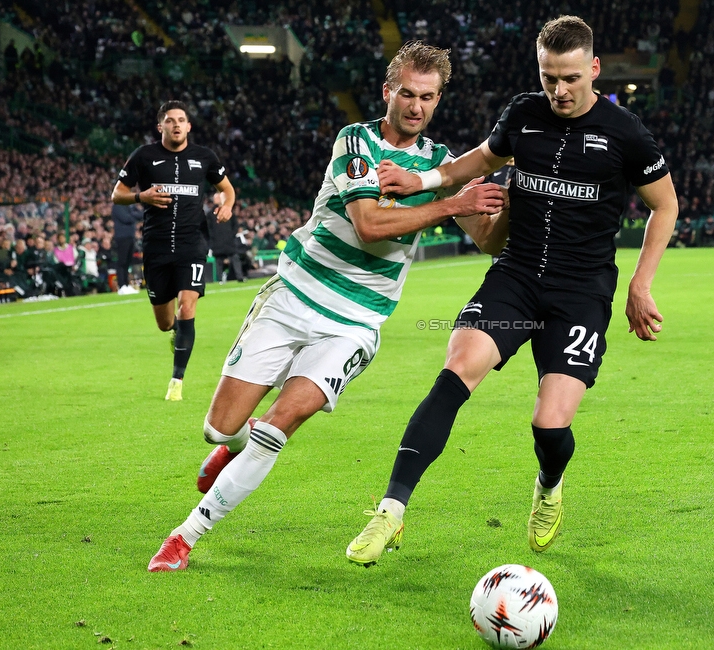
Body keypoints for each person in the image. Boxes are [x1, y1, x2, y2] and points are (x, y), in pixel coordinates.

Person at [147, 42, 508, 572]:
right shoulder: (356, 142)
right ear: (388, 91)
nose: (415, 106)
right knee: (221, 429)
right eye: (406, 93)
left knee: (276, 428)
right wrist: (454, 203)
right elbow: (369, 226)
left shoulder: (439, 165)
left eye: (427, 97)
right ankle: (230, 448)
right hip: (293, 296)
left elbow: (488, 241)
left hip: (356, 323)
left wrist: (511, 202)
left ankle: (185, 535)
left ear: (438, 101)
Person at [346, 15, 678, 566]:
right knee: (457, 369)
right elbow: (477, 162)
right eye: (549, 76)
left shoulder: (626, 133)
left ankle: (550, 484)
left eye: (570, 78)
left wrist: (641, 285)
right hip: (517, 276)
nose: (559, 90)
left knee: (550, 422)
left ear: (593, 69)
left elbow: (664, 205)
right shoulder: (524, 113)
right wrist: (422, 181)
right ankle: (391, 510)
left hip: (580, 292)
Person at [111, 100, 236, 401]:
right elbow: (117, 194)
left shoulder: (204, 157)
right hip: (155, 246)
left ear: (189, 126)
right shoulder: (144, 156)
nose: (176, 124)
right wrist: (142, 196)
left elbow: (227, 189)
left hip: (193, 244)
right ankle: (174, 334)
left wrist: (228, 205)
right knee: (165, 322)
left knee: (188, 307)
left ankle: (176, 381)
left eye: (181, 120)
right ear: (160, 126)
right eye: (170, 120)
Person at [110, 202, 144, 294]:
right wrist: (134, 215)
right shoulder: (118, 205)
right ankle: (121, 285)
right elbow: (126, 218)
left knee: (128, 261)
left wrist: (132, 215)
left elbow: (142, 214)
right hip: (122, 237)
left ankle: (126, 284)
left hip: (130, 236)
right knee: (122, 261)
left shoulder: (130, 205)